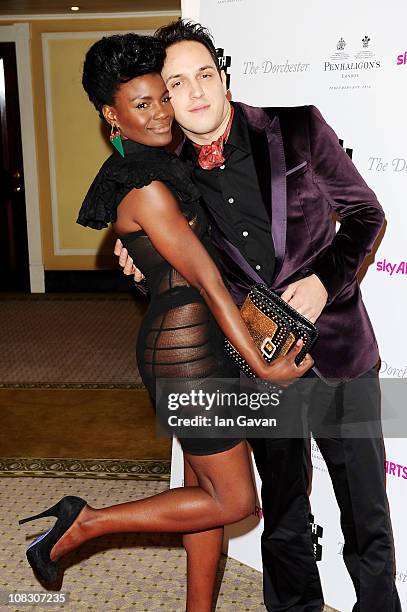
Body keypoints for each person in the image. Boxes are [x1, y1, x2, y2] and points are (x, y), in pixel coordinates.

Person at [18, 33, 313, 611]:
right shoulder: (148, 185)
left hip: (192, 342)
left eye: (162, 98)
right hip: (187, 353)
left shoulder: (156, 166)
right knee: (236, 503)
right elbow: (204, 278)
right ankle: (82, 525)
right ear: (112, 114)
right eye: (141, 103)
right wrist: (265, 365)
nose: (159, 114)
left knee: (204, 491)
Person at [115, 20, 401, 612]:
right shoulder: (172, 184)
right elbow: (188, 277)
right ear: (165, 99)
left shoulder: (296, 126)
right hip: (258, 366)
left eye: (203, 75)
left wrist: (324, 283)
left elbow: (367, 216)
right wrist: (139, 256)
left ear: (221, 75)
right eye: (176, 84)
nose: (195, 93)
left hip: (339, 353)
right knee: (285, 515)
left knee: (365, 510)